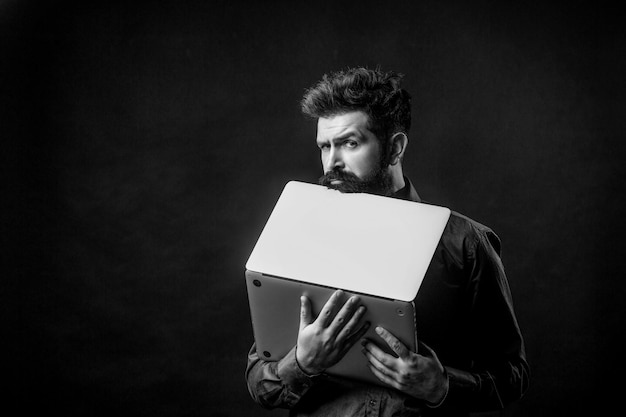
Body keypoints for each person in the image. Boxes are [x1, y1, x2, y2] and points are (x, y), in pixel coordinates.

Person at [245, 67, 529, 416]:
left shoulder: (466, 244)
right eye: (324, 146)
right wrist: (301, 364)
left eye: (349, 143)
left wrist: (441, 385)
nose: (332, 162)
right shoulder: (297, 234)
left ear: (394, 147)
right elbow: (261, 382)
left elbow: (512, 376)